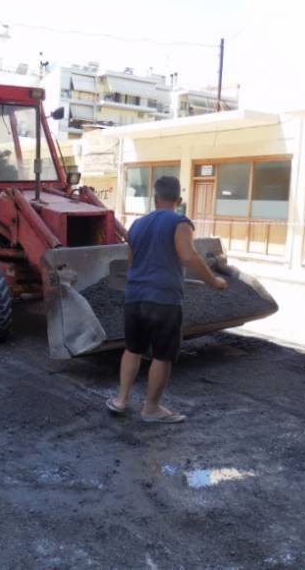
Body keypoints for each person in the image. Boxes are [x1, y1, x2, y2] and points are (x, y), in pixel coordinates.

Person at [106, 176, 228, 423]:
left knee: (133, 349)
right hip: (163, 300)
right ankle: (151, 409)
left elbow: (132, 259)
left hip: (134, 297)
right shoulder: (180, 222)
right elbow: (188, 256)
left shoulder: (137, 224)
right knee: (163, 354)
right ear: (178, 200)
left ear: (155, 197)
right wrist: (214, 281)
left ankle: (121, 400)